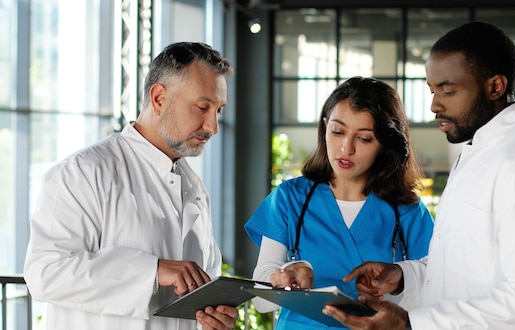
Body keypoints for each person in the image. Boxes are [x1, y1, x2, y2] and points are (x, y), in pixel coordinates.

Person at [323, 21, 515, 329]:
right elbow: (459, 267)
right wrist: (404, 276)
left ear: (495, 87)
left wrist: (411, 322)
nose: (435, 105)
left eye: (448, 91)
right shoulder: (478, 152)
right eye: (433, 91)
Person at [23, 42, 238, 330]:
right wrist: (154, 270)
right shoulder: (83, 173)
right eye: (202, 107)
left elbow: (199, 290)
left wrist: (211, 318)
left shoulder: (195, 188)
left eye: (219, 110)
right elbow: (45, 274)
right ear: (159, 98)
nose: (212, 127)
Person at [244, 76, 435, 329]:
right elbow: (261, 300)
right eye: (337, 131)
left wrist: (397, 281)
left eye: (364, 138)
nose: (346, 148)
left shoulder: (407, 209)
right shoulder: (290, 198)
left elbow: (434, 287)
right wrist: (287, 277)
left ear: (385, 144)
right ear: (325, 127)